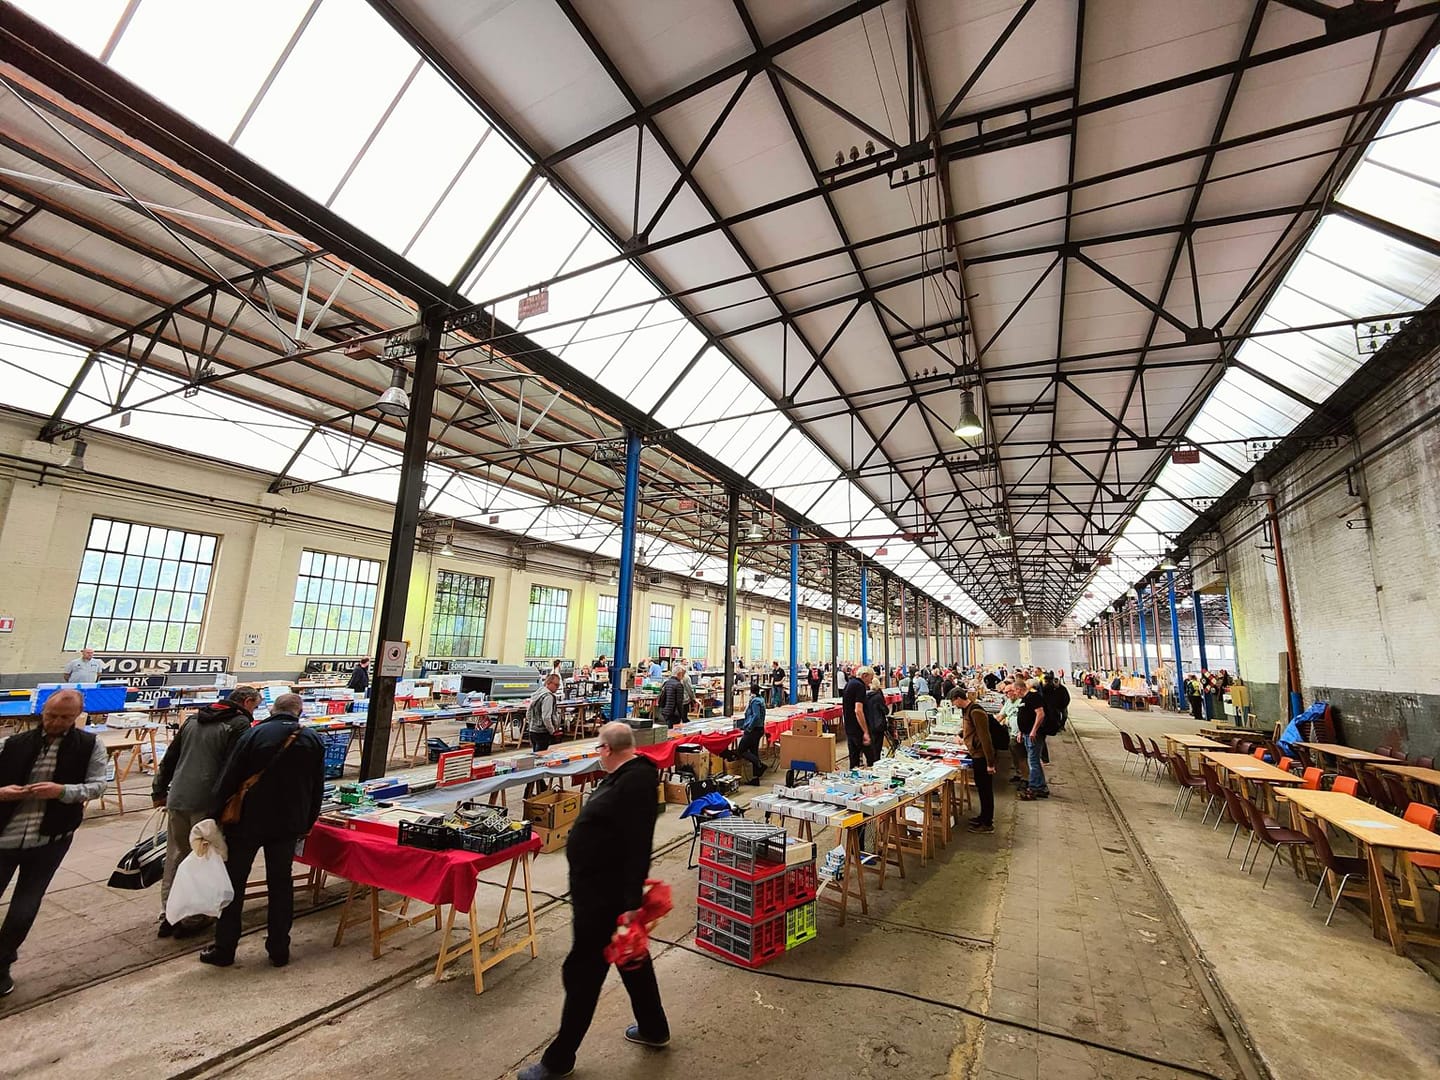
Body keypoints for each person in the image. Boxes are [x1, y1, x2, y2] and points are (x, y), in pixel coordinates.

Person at [522, 723, 668, 1079]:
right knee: (631, 959)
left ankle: (558, 1060)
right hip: (602, 892)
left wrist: (631, 900)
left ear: (606, 749)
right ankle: (653, 1028)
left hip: (605, 899)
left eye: (598, 750)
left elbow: (638, 846)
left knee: (583, 975)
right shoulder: (628, 776)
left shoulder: (634, 784)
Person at [202, 692, 324, 968]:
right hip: (288, 824)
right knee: (281, 884)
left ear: (272, 710)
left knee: (233, 884)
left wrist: (215, 815)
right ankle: (279, 949)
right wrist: (308, 822)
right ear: (299, 711)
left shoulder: (254, 735)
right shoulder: (312, 738)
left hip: (247, 822)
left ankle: (225, 949)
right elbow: (318, 786)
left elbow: (230, 776)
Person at [0, 689, 106, 996]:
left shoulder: (89, 746)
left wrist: (62, 791)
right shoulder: (13, 743)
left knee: (25, 905)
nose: (55, 722)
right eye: (51, 715)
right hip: (5, 836)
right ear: (42, 711)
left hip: (51, 838)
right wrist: (4, 793)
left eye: (63, 718)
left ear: (76, 717)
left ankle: (2, 962)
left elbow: (97, 786)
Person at [152, 686, 260, 938]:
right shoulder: (239, 723)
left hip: (179, 796)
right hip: (209, 802)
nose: (253, 711)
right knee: (206, 858)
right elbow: (234, 766)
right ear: (246, 702)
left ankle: (170, 914)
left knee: (177, 855)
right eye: (254, 706)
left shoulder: (193, 719)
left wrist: (159, 789)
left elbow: (171, 756)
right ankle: (194, 917)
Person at [954, 685, 997, 832]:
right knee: (981, 787)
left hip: (982, 756)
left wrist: (990, 763)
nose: (954, 705)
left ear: (959, 699)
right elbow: (970, 728)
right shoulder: (968, 710)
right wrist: (961, 734)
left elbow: (985, 737)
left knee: (985, 789)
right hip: (976, 755)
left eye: (954, 702)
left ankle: (987, 823)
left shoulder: (976, 711)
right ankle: (983, 817)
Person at [1017, 679, 1049, 800]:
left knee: (1033, 762)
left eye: (1015, 691)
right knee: (1034, 761)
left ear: (1019, 689)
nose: (1015, 693)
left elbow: (1040, 714)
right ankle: (1040, 786)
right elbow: (1024, 716)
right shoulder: (1025, 699)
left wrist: (1034, 730)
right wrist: (1021, 731)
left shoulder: (1033, 697)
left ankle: (1034, 788)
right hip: (1026, 733)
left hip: (1034, 735)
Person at [841, 666, 874, 769]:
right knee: (871, 759)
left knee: (854, 758)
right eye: (870, 678)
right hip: (858, 729)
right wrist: (865, 731)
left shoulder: (849, 684)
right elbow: (858, 710)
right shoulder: (860, 686)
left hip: (849, 727)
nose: (871, 681)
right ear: (865, 676)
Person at [734, 686, 767, 784]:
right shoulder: (761, 699)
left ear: (752, 692)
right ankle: (756, 778)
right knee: (753, 751)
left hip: (753, 730)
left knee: (741, 750)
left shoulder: (755, 702)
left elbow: (756, 716)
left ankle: (759, 764)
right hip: (759, 729)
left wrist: (749, 727)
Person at [527, 673, 562, 752]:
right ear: (548, 683)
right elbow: (546, 717)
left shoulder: (537, 693)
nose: (557, 687)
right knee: (541, 757)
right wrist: (552, 730)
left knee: (536, 754)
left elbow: (528, 712)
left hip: (533, 730)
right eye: (556, 685)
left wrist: (531, 724)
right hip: (542, 732)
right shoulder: (548, 697)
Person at [861, 679, 888, 765]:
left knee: (871, 747)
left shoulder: (865, 696)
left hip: (868, 724)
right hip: (878, 725)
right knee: (878, 747)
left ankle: (870, 764)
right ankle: (877, 764)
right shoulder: (878, 697)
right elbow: (885, 710)